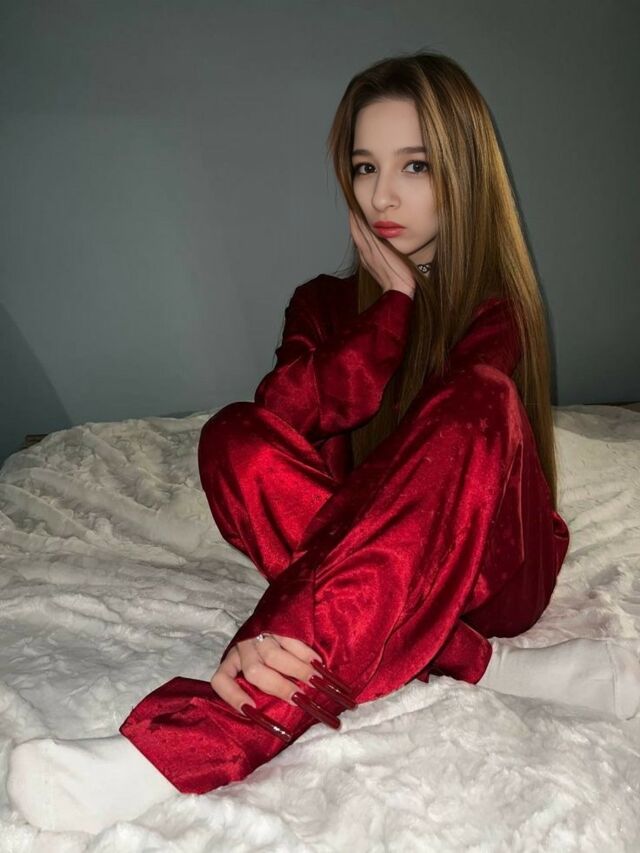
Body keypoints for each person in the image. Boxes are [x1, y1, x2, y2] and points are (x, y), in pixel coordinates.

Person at [7, 51, 640, 836]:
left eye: (415, 165)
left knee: (480, 395)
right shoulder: (321, 302)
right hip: (370, 568)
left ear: (465, 175)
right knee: (232, 436)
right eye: (366, 166)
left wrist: (268, 626)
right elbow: (284, 416)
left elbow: (457, 455)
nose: (382, 195)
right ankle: (479, 662)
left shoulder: (495, 306)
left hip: (492, 567)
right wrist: (392, 308)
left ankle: (197, 741)